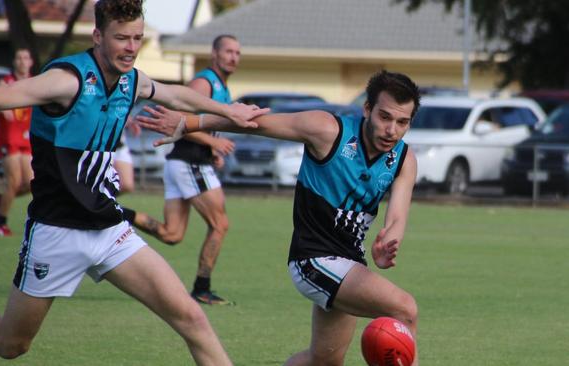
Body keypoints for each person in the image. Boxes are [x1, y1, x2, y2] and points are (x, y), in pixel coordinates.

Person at [0, 0, 265, 363]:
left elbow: (176, 93)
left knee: (192, 319)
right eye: (122, 38)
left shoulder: (131, 81)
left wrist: (229, 110)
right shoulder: (66, 80)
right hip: (56, 231)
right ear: (98, 36)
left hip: (109, 230)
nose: (131, 47)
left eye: (137, 38)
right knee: (10, 344)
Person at [136, 70, 421, 365]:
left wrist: (388, 241)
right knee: (405, 310)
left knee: (322, 361)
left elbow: (397, 217)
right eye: (385, 117)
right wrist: (189, 122)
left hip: (351, 265)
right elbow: (256, 124)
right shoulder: (327, 130)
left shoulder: (403, 159)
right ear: (367, 109)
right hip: (314, 259)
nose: (392, 130)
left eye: (403, 122)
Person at [125, 35, 240, 305]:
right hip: (189, 163)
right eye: (228, 51)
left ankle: (117, 213)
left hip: (187, 163)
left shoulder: (222, 86)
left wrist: (212, 149)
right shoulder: (204, 82)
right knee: (220, 224)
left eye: (237, 52)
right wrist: (212, 141)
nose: (234, 57)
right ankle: (202, 288)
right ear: (214, 54)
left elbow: (201, 124)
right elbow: (181, 123)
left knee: (171, 234)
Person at [0, 48, 35, 237]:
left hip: (26, 138)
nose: (22, 61)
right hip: (8, 138)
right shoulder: (5, 83)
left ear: (31, 62)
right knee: (14, 182)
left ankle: (1, 201)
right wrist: (0, 108)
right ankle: (0, 225)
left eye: (26, 58)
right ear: (14, 62)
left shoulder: (35, 83)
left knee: (32, 183)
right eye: (19, 58)